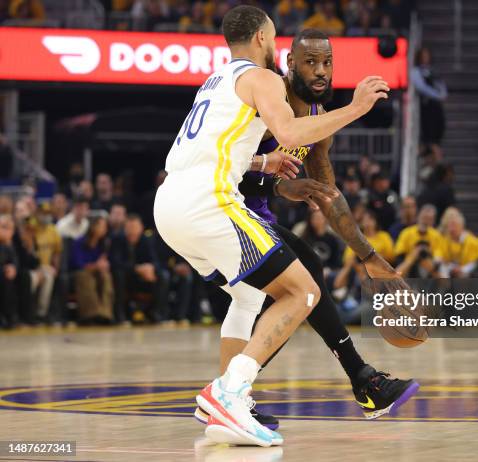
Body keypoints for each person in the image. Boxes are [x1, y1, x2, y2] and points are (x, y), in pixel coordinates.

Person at [153, 5, 393, 447]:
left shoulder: (215, 82)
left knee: (249, 296)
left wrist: (265, 162)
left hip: (169, 204)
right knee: (303, 291)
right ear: (263, 37)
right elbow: (292, 131)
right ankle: (229, 391)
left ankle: (224, 403)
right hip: (210, 203)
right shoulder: (264, 80)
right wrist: (356, 108)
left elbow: (213, 149)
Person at [195, 29, 418, 432]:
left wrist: (370, 258)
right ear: (290, 65)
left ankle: (229, 395)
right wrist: (281, 183)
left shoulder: (319, 120)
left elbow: (328, 195)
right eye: (310, 62)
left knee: (259, 303)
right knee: (307, 272)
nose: (320, 71)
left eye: (327, 63)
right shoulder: (268, 98)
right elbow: (220, 154)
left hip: (252, 218)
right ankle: (361, 380)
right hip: (216, 210)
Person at [109, 214, 169, 324]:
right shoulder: (117, 239)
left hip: (142, 277)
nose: (132, 232)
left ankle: (155, 313)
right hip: (125, 277)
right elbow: (115, 263)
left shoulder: (146, 240)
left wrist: (151, 268)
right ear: (125, 228)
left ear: (141, 228)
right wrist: (137, 269)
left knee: (163, 275)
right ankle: (120, 315)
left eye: (135, 228)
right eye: (129, 228)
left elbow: (155, 261)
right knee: (119, 274)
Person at [70, 216, 114, 324]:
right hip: (80, 272)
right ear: (93, 227)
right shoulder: (79, 242)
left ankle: (105, 314)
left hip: (96, 272)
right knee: (85, 277)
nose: (105, 229)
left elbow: (105, 262)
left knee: (106, 277)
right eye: (102, 226)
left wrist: (104, 266)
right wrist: (96, 266)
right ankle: (90, 314)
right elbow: (78, 264)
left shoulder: (104, 244)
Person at [0, 214, 19, 328]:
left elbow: (15, 260)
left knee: (9, 278)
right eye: (3, 227)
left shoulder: (11, 243)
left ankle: (9, 316)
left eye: (8, 228)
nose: (5, 231)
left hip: (6, 274)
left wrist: (13, 267)